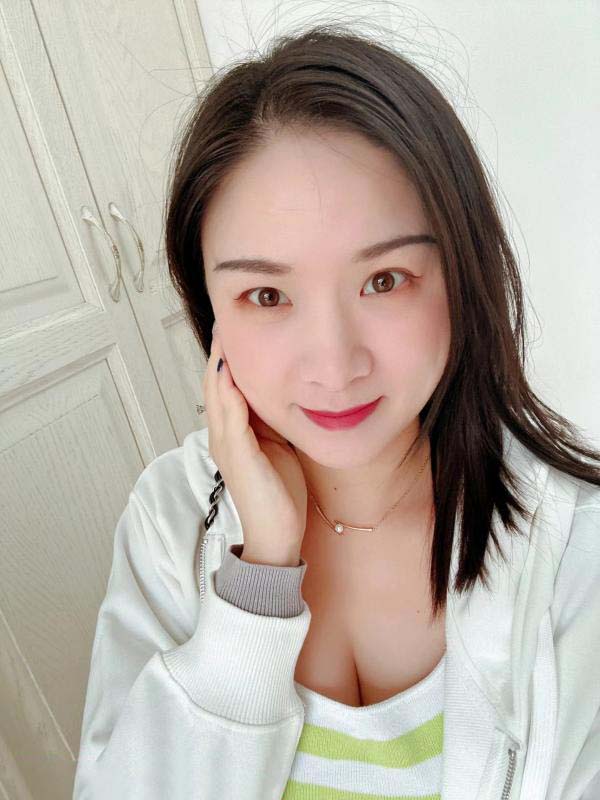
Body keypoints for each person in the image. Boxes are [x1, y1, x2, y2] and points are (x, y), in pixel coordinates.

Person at [72, 21, 600, 800]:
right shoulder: (169, 519)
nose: (333, 364)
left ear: (461, 272)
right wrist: (259, 579)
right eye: (266, 295)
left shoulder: (574, 549)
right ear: (209, 310)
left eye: (384, 280)